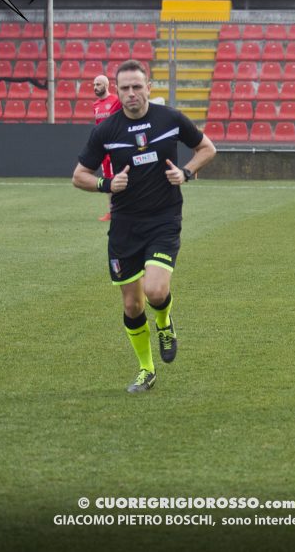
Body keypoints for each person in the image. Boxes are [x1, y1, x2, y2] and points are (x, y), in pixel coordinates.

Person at [72, 59, 217, 393]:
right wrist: (106, 185)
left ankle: (165, 323)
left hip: (163, 219)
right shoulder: (106, 130)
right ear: (117, 91)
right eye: (125, 88)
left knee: (154, 290)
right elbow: (79, 175)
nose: (131, 93)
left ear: (149, 87)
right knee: (132, 305)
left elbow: (207, 149)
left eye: (137, 86)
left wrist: (186, 173)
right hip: (124, 225)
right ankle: (146, 369)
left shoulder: (170, 119)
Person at [92, 74, 121, 222]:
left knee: (123, 177)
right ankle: (112, 211)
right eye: (94, 85)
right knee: (108, 179)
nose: (95, 87)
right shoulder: (95, 105)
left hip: (118, 147)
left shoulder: (116, 100)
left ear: (106, 85)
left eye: (98, 84)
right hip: (104, 149)